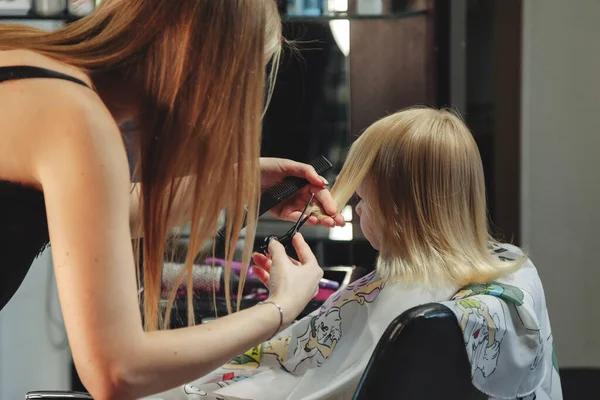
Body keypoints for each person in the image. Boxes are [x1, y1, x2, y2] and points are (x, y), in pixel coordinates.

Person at [0, 1, 344, 399]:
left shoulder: (27, 61)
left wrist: (235, 182)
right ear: (202, 62)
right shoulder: (77, 118)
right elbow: (118, 370)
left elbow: (97, 208)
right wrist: (280, 308)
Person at [150, 107, 560, 400]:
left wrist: (282, 305)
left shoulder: (408, 306)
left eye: (363, 199)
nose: (358, 209)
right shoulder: (510, 270)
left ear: (399, 211)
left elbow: (317, 386)